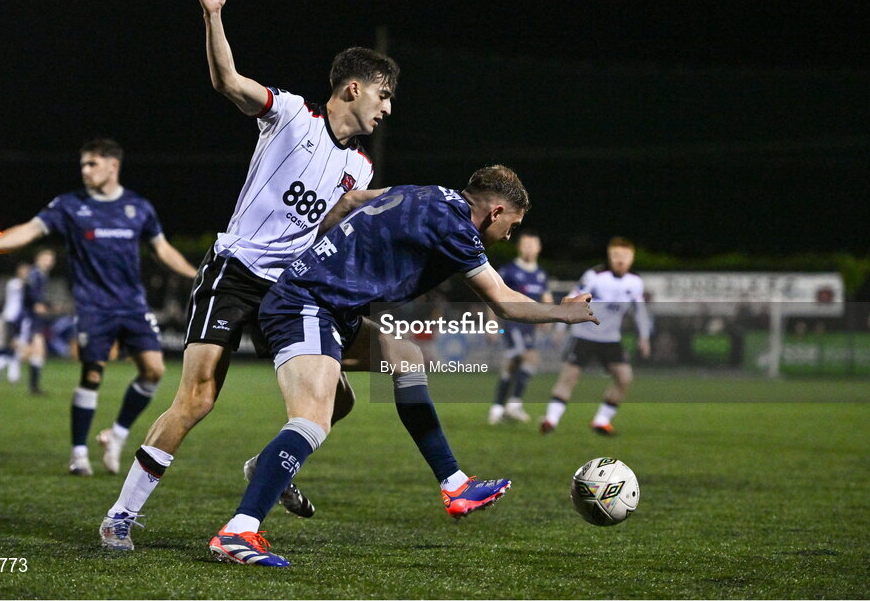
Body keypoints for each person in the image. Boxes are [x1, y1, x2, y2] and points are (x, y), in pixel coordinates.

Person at [97, 0, 401, 551]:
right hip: (235, 274)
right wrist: (213, 16)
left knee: (338, 396)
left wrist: (381, 206)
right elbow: (228, 81)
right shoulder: (289, 114)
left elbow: (332, 216)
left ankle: (267, 462)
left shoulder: (358, 163)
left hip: (291, 291)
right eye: (384, 96)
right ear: (353, 88)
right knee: (198, 397)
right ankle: (121, 514)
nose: (387, 109)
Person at [205, 166, 598, 566]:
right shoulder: (458, 229)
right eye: (511, 226)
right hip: (306, 305)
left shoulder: (428, 192)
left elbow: (350, 200)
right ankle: (238, 530)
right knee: (313, 419)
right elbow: (503, 300)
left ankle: (455, 485)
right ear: (495, 212)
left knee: (403, 357)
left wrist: (321, 256)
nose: (509, 236)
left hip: (331, 306)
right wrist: (561, 314)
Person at [0, 138, 198, 475]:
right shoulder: (70, 205)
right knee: (92, 375)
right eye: (83, 164)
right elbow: (30, 229)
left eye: (92, 164)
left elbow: (163, 249)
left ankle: (116, 435)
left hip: (133, 305)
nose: (85, 170)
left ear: (112, 166)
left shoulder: (138, 207)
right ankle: (78, 452)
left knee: (154, 372)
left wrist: (196, 274)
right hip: (93, 307)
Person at [540, 236, 651, 436]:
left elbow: (640, 311)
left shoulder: (635, 282)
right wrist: (560, 329)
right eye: (616, 255)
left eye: (625, 256)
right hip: (584, 334)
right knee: (569, 377)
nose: (620, 259)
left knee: (624, 378)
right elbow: (573, 298)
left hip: (610, 338)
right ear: (609, 256)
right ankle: (550, 420)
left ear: (632, 258)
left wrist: (644, 336)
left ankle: (601, 420)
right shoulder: (595, 275)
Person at [488, 230, 552, 424]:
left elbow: (546, 298)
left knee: (511, 366)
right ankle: (513, 404)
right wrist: (491, 322)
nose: (529, 248)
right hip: (511, 323)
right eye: (526, 244)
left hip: (529, 327)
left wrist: (548, 318)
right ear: (519, 247)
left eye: (533, 245)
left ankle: (497, 409)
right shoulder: (509, 270)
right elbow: (493, 294)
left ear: (539, 248)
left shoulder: (540, 275)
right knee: (531, 358)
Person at [21, 249, 57, 395]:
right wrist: (36, 303)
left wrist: (46, 304)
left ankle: (34, 387)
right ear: (38, 258)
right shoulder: (35, 273)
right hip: (30, 315)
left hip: (35, 315)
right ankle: (0, 358)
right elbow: (30, 292)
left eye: (51, 259)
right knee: (33, 349)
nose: (49, 261)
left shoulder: (42, 274)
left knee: (38, 350)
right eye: (47, 258)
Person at [0, 261, 30, 384]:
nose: (27, 273)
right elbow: (24, 287)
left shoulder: (22, 284)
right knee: (15, 345)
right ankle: (10, 372)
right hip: (11, 317)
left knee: (17, 345)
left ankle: (0, 363)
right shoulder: (13, 283)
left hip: (20, 318)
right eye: (25, 271)